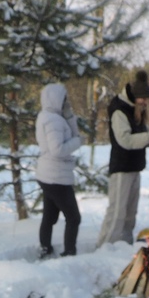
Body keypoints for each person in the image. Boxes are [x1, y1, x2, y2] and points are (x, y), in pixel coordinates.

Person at [96, 70, 149, 247]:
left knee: (130, 213)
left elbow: (144, 137)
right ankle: (105, 248)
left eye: (146, 99)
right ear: (135, 96)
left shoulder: (136, 110)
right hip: (121, 168)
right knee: (117, 212)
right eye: (143, 99)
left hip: (135, 167)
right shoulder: (119, 110)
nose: (145, 103)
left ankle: (124, 245)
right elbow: (126, 141)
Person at [35, 83, 84, 258]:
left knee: (50, 216)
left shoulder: (47, 116)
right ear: (56, 100)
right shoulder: (53, 120)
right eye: (64, 99)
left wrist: (70, 117)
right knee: (73, 218)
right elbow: (58, 150)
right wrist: (78, 141)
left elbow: (71, 134)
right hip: (57, 177)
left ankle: (45, 248)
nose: (67, 103)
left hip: (48, 175)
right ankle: (69, 252)